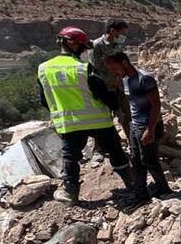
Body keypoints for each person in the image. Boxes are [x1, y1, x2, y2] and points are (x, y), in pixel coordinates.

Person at [37, 27, 135, 205]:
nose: (83, 51)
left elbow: (44, 99)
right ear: (73, 45)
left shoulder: (44, 69)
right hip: (98, 121)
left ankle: (70, 193)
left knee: (70, 156)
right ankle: (132, 183)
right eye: (82, 47)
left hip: (69, 123)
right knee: (115, 151)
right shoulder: (83, 68)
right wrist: (116, 105)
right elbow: (102, 92)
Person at [102, 52, 173, 204]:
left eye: (115, 68)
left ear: (124, 63)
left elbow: (156, 106)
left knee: (149, 159)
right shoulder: (125, 79)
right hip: (135, 125)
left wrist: (150, 129)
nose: (114, 72)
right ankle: (141, 193)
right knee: (136, 159)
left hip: (148, 125)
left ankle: (164, 189)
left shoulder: (144, 79)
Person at [88, 19, 132, 127]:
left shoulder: (118, 43)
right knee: (103, 120)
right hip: (105, 89)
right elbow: (97, 66)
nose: (124, 36)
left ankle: (132, 142)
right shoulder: (97, 45)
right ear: (113, 31)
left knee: (126, 117)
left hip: (118, 86)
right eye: (122, 33)